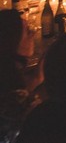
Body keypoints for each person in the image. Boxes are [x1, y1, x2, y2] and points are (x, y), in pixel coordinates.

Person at [0, 10, 42, 142]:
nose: (33, 33)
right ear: (12, 40)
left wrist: (36, 78)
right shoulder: (16, 99)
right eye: (27, 31)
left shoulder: (7, 74)